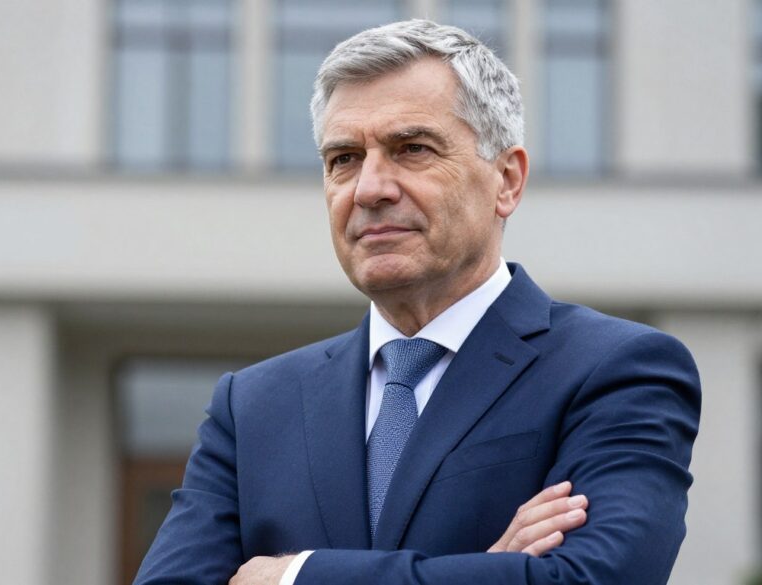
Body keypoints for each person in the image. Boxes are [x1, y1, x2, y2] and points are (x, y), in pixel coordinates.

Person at [135, 19, 700, 585]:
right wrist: (488, 571)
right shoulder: (253, 406)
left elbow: (587, 579)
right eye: (344, 159)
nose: (370, 188)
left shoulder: (618, 371)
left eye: (412, 149)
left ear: (506, 180)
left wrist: (295, 577)